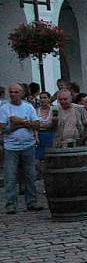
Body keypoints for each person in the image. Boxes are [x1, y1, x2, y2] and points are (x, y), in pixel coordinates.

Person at [0, 83, 42, 213]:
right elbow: (3, 128)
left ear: (22, 93)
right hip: (11, 147)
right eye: (11, 92)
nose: (13, 94)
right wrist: (22, 124)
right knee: (10, 176)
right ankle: (11, 204)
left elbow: (36, 125)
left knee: (30, 175)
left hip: (28, 145)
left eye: (16, 92)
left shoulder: (28, 107)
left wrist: (19, 121)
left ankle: (32, 202)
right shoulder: (4, 108)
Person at [34, 91, 54, 174]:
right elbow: (35, 125)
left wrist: (42, 125)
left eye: (45, 97)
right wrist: (36, 136)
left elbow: (54, 124)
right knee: (36, 162)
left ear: (49, 99)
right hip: (40, 136)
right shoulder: (36, 110)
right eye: (41, 98)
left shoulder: (54, 109)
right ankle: (44, 174)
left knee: (51, 160)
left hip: (51, 135)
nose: (43, 100)